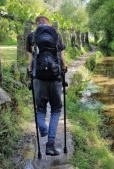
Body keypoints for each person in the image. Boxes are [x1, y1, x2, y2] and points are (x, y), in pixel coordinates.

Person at [26, 16, 67, 156]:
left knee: (41, 109)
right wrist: (64, 68)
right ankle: (50, 145)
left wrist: (30, 73)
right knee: (56, 109)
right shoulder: (56, 34)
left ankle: (42, 127)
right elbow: (62, 58)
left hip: (39, 78)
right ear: (48, 23)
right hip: (55, 77)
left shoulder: (31, 36)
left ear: (36, 24)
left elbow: (30, 62)